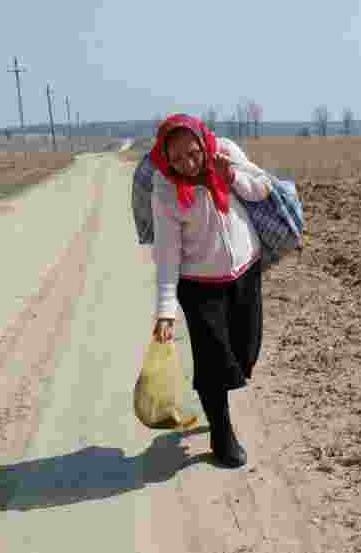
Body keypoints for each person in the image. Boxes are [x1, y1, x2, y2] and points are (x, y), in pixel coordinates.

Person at [148, 113, 272, 469]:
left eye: (193, 153)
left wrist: (228, 174)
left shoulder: (226, 152)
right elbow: (168, 255)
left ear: (203, 143)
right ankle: (222, 433)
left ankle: (220, 404)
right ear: (165, 158)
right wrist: (166, 313)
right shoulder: (165, 189)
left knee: (245, 354)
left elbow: (262, 188)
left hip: (245, 272)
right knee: (214, 360)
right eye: (177, 159)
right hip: (199, 286)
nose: (187, 164)